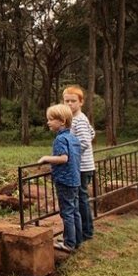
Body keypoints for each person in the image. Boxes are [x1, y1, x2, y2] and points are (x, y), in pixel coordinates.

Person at [39, 103, 82, 252]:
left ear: (62, 121)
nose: (48, 122)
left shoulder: (60, 140)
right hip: (75, 179)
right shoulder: (73, 138)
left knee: (67, 212)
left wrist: (46, 158)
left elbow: (64, 158)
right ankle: (76, 240)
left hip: (65, 180)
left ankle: (69, 243)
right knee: (75, 210)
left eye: (51, 119)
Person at [63, 85, 96, 243]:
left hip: (82, 166)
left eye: (73, 101)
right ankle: (84, 230)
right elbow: (92, 132)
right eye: (66, 101)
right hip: (81, 165)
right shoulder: (74, 119)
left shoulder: (79, 120)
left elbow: (84, 141)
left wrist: (70, 155)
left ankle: (86, 231)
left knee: (81, 198)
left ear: (81, 102)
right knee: (81, 197)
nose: (69, 104)